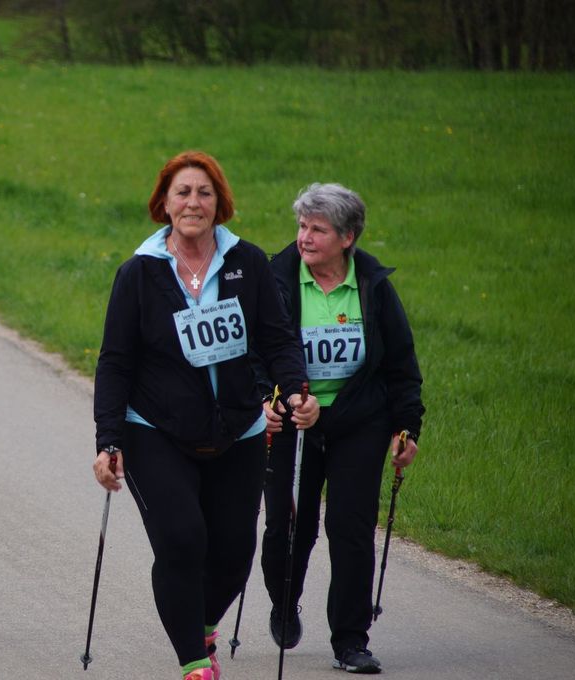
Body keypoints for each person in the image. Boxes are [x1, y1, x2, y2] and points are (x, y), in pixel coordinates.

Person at [92, 150, 319, 680]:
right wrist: (108, 440)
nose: (193, 202)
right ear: (164, 204)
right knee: (181, 539)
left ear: (220, 203)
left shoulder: (248, 263)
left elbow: (278, 339)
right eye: (183, 192)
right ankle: (195, 662)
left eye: (204, 192)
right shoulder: (139, 273)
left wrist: (297, 392)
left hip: (238, 430)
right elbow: (115, 362)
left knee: (234, 554)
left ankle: (201, 623)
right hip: (156, 431)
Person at [259, 183, 424, 674]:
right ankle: (284, 600)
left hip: (359, 422)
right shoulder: (276, 281)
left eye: (318, 229)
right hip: (293, 420)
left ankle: (351, 641)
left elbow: (401, 362)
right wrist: (264, 402)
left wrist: (406, 427)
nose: (305, 238)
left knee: (350, 528)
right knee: (290, 526)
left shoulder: (372, 286)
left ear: (347, 237)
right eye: (302, 226)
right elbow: (253, 355)